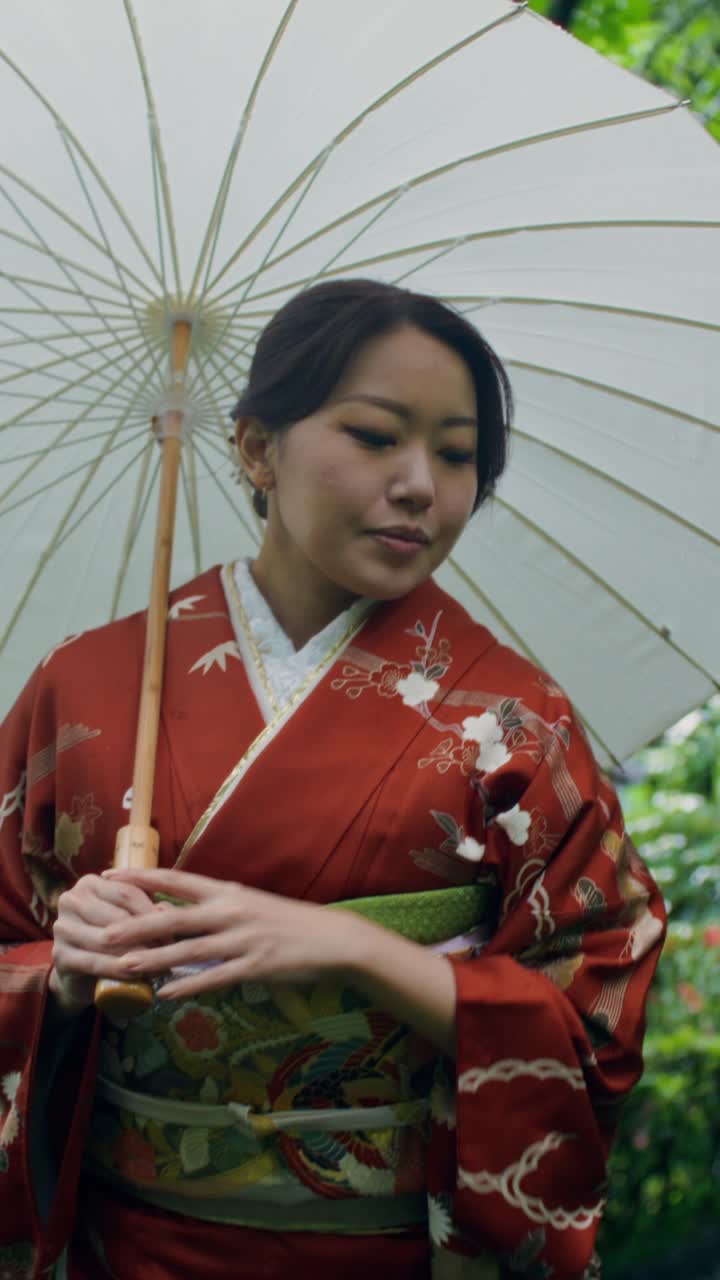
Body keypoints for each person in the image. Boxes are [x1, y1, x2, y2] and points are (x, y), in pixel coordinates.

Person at [0, 279, 665, 1280]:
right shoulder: (83, 687)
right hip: (126, 1246)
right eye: (373, 435)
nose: (421, 487)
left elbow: (596, 1025)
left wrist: (359, 951)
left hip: (385, 1253)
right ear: (257, 447)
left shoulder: (516, 721)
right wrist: (59, 972)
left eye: (455, 453)